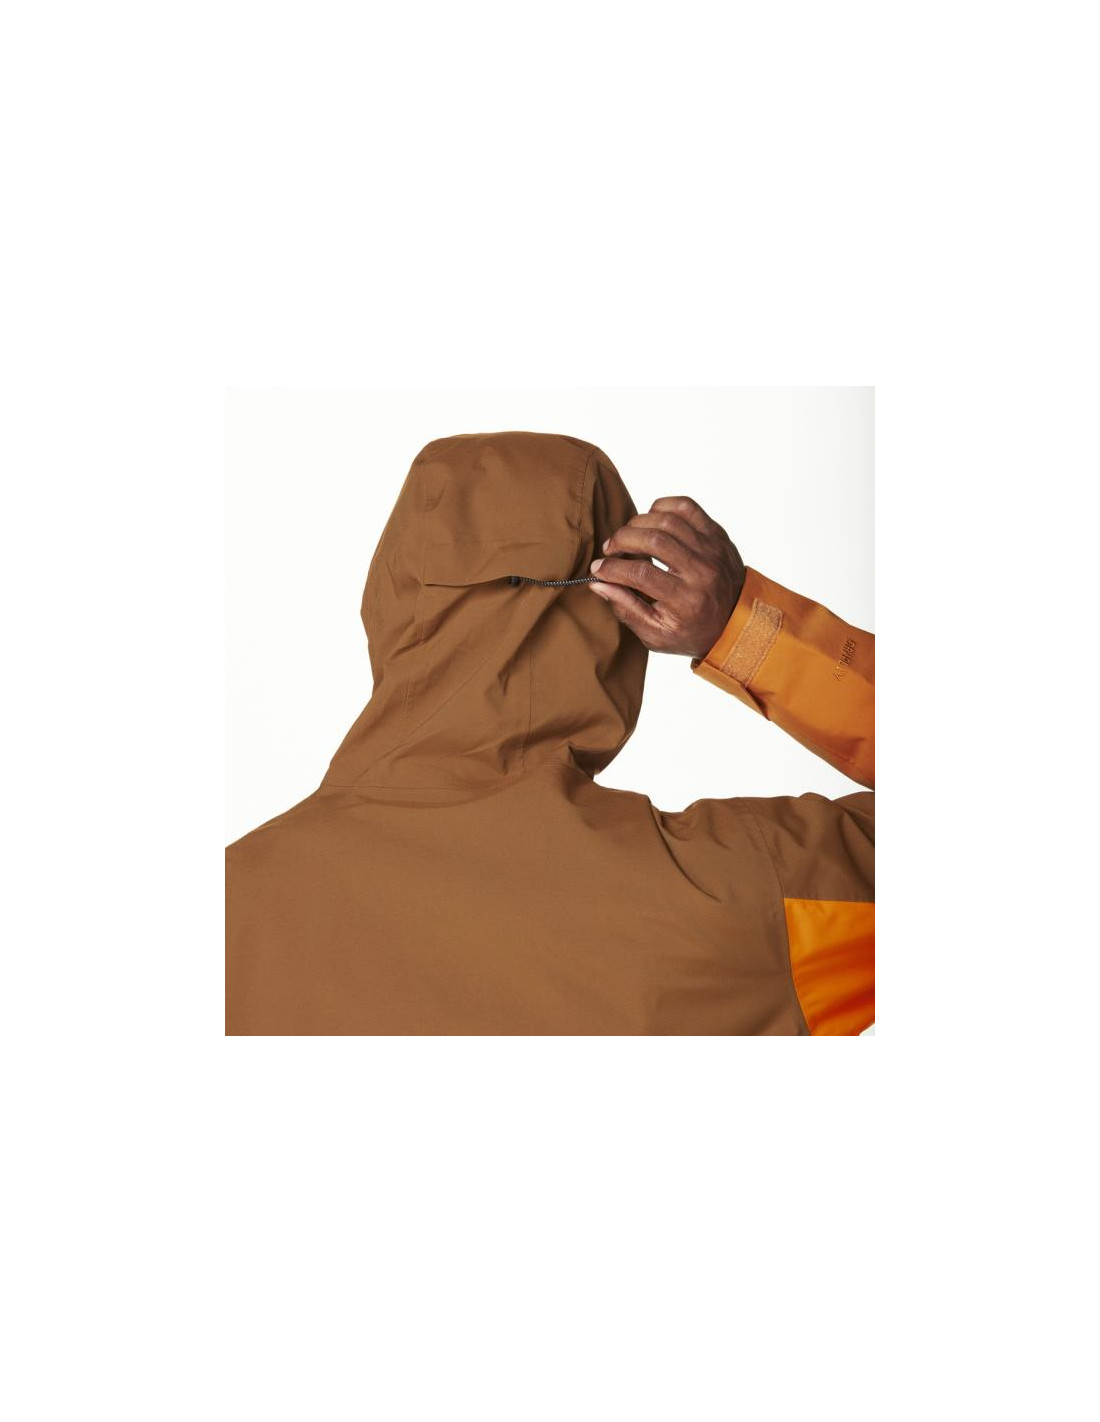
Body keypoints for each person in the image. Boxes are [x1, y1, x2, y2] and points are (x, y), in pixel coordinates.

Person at [226, 431, 873, 1035]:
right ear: (620, 615)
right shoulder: (737, 900)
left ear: (389, 604)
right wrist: (747, 631)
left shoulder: (229, 902)